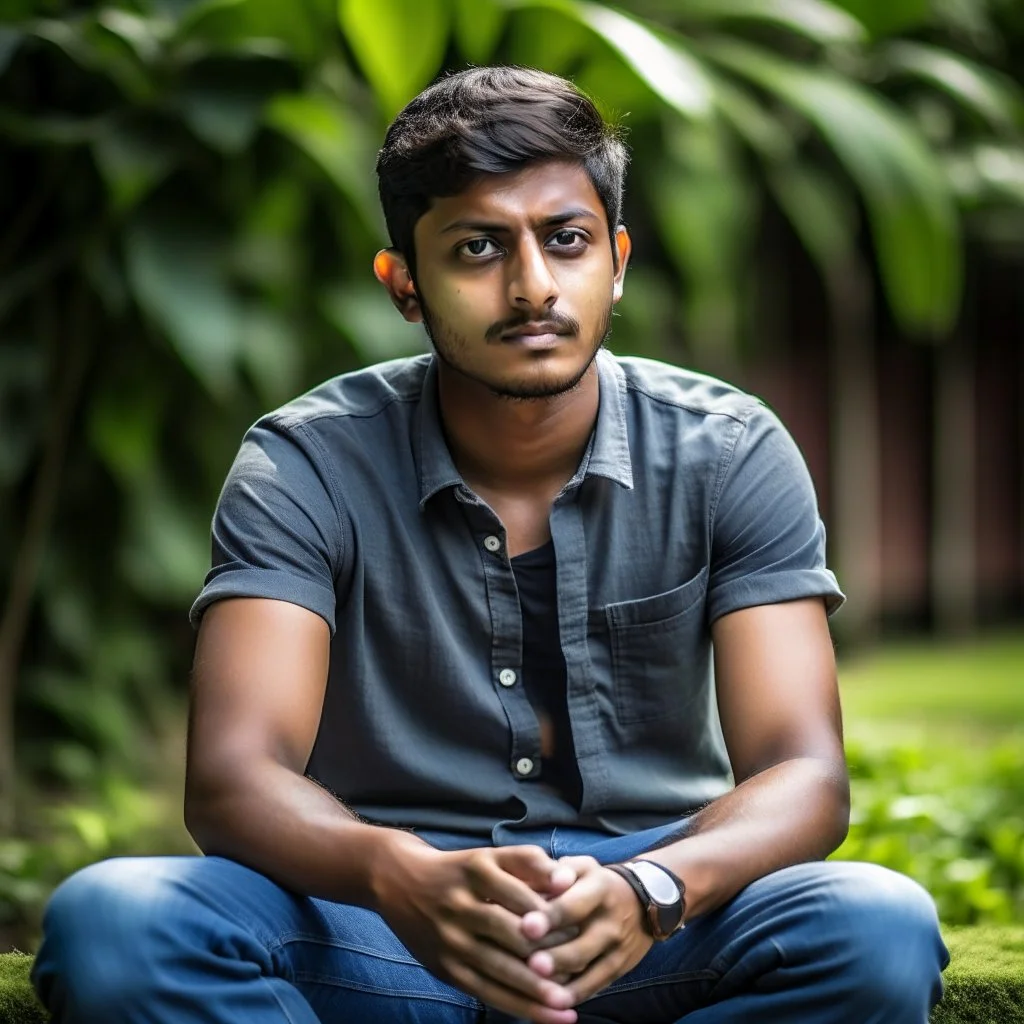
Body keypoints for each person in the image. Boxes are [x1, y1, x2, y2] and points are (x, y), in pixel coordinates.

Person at [31, 65, 949, 1024]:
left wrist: (658, 887)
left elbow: (805, 775)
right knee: (116, 922)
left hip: (647, 921)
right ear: (405, 286)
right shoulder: (305, 461)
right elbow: (232, 778)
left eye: (567, 240)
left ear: (619, 259)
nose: (533, 286)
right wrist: (398, 874)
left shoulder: (729, 451)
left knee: (874, 928)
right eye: (476, 248)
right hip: (378, 922)